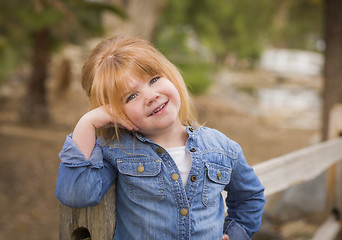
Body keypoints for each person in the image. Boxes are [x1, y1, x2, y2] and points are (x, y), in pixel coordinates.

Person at [56, 35, 265, 240]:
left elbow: (250, 197)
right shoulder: (118, 150)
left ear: (171, 76)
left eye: (154, 80)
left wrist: (236, 234)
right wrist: (87, 122)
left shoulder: (222, 148)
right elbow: (76, 194)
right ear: (113, 111)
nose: (151, 96)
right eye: (131, 96)